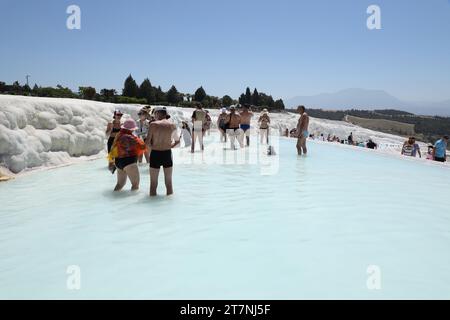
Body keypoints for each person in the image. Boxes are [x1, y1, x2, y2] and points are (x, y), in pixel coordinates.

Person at [146, 107, 180, 196]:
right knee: (169, 182)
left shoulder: (153, 124)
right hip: (167, 154)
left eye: (155, 114)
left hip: (155, 154)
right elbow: (177, 141)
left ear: (158, 114)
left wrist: (153, 147)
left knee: (153, 183)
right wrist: (170, 146)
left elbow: (147, 142)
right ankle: (170, 206)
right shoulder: (172, 125)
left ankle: (152, 206)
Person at [108, 119, 147, 191]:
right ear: (132, 129)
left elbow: (112, 149)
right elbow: (143, 146)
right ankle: (133, 202)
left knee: (120, 184)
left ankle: (115, 198)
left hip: (118, 162)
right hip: (129, 162)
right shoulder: (131, 137)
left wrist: (111, 162)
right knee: (135, 185)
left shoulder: (118, 135)